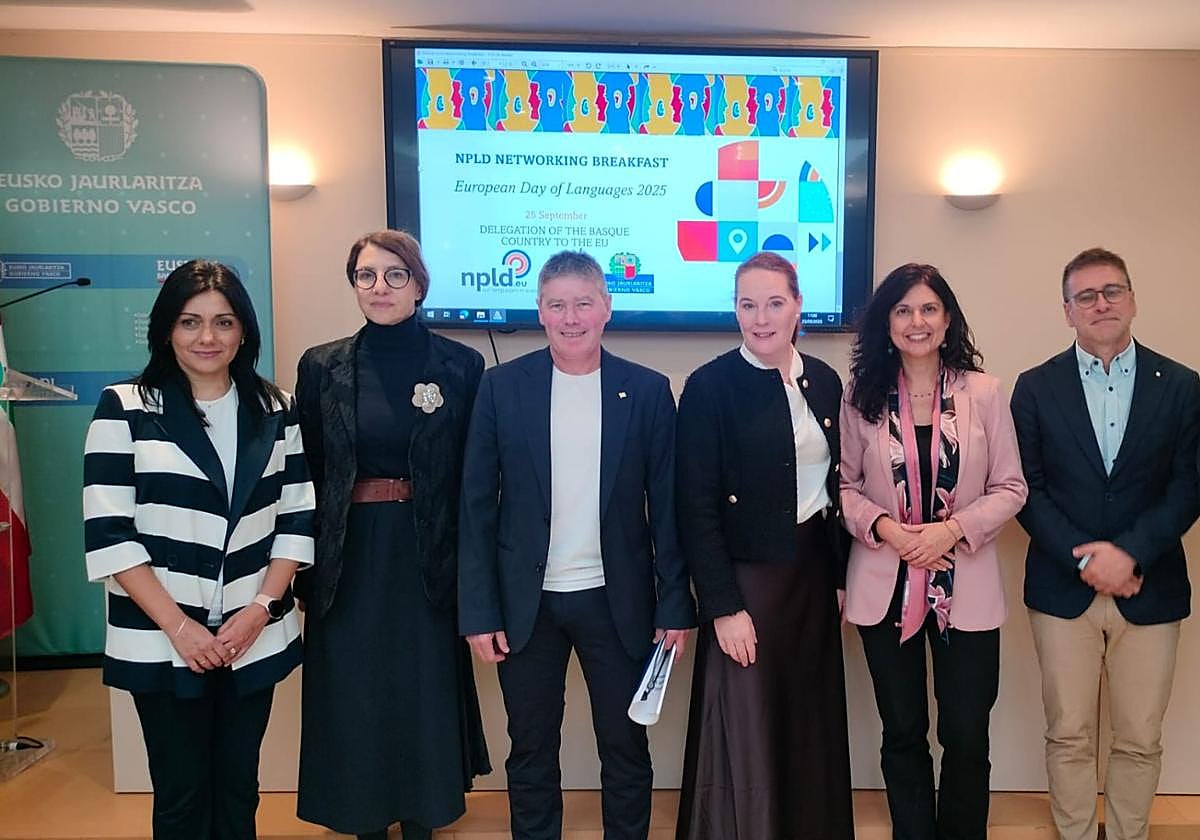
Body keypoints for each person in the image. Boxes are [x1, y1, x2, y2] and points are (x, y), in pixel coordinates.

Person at [458, 250, 696, 840]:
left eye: (583, 303)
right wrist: (480, 611)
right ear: (539, 310)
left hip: (617, 601)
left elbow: (667, 508)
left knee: (625, 746)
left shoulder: (645, 391)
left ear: (607, 308)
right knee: (531, 749)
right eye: (557, 304)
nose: (571, 317)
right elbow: (476, 507)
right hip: (524, 605)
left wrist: (675, 605)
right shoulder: (500, 389)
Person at [83, 259, 314, 840]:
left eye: (223, 322)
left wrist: (260, 609)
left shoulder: (276, 408)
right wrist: (182, 628)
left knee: (240, 791)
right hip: (164, 640)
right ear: (166, 329)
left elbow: (297, 516)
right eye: (190, 322)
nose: (207, 338)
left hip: (251, 635)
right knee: (182, 798)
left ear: (244, 332)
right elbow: (111, 534)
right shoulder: (126, 407)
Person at [294, 230, 491, 840]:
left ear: (419, 284)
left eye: (394, 275)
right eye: (366, 276)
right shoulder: (321, 365)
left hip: (428, 555)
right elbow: (308, 470)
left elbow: (474, 476)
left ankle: (422, 821)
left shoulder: (461, 365)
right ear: (353, 285)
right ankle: (362, 821)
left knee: (420, 692)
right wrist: (302, 565)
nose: (380, 287)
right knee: (355, 693)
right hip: (348, 555)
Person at [1011, 247, 1200, 840]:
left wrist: (1129, 554)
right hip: (1062, 589)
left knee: (1140, 736)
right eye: (1086, 296)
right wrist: (1091, 558)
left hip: (1152, 586)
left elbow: (1190, 483)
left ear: (1133, 300)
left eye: (1112, 291)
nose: (1101, 303)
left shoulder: (1183, 386)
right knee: (1068, 733)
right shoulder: (1035, 387)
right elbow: (1027, 489)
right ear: (1067, 311)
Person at [840, 263, 1027, 840]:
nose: (915, 321)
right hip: (884, 586)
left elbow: (1012, 487)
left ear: (947, 320)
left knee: (967, 733)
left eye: (928, 309)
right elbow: (843, 488)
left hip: (964, 584)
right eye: (902, 310)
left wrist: (949, 531)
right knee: (902, 731)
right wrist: (891, 532)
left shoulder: (986, 393)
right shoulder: (860, 397)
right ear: (886, 324)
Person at [675, 251, 854, 840]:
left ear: (799, 306)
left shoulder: (825, 381)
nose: (761, 317)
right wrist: (722, 607)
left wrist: (839, 579)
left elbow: (836, 490)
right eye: (747, 304)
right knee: (746, 726)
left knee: (806, 721)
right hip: (747, 583)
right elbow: (695, 509)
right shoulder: (709, 386)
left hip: (810, 578)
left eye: (774, 302)